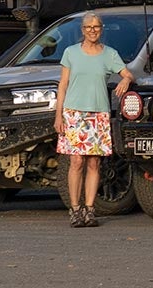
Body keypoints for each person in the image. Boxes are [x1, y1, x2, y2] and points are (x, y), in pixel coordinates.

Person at [53, 12, 134, 228]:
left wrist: (125, 80)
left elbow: (128, 73)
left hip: (98, 113)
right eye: (88, 27)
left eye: (96, 27)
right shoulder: (71, 53)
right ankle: (75, 208)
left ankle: (90, 208)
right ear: (82, 30)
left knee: (94, 162)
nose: (92, 30)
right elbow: (63, 85)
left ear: (101, 29)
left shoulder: (109, 54)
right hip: (74, 112)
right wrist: (58, 115)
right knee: (76, 161)